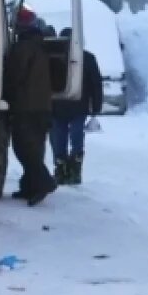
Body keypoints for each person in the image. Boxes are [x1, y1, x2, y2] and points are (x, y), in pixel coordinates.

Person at [4, 13, 57, 206]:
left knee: (24, 148)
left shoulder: (23, 48)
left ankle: (44, 182)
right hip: (42, 106)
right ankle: (29, 186)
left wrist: (6, 94)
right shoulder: (39, 46)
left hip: (26, 106)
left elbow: (14, 76)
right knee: (34, 147)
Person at [50, 29, 103, 185]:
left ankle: (61, 169)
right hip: (79, 106)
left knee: (59, 137)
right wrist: (96, 106)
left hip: (58, 106)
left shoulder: (55, 57)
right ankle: (74, 169)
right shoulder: (87, 58)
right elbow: (96, 84)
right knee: (76, 136)